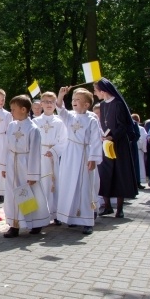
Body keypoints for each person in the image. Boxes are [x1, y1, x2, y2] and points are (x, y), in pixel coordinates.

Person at [1, 95, 50, 237]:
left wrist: (33, 174)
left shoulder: (33, 129)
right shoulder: (11, 125)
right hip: (12, 163)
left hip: (25, 165)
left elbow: (35, 152)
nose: (11, 112)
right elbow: (6, 146)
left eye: (13, 109)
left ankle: (35, 222)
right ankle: (14, 224)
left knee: (27, 194)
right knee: (12, 195)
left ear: (23, 109)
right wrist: (4, 166)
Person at [55, 87, 102, 235]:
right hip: (70, 155)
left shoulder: (91, 120)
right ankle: (71, 217)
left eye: (78, 100)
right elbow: (60, 110)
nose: (74, 102)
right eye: (73, 99)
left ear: (87, 104)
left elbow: (95, 141)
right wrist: (61, 95)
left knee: (84, 187)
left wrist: (93, 158)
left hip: (84, 154)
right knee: (69, 185)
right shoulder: (70, 116)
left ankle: (87, 220)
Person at [94, 78, 139, 218]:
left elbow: (123, 126)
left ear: (102, 90)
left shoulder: (118, 104)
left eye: (95, 90)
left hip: (119, 145)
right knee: (105, 173)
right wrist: (102, 135)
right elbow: (102, 123)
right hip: (106, 144)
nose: (95, 93)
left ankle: (120, 208)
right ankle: (107, 206)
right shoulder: (102, 105)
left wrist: (112, 137)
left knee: (120, 174)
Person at [35, 92, 67, 224]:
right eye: (46, 101)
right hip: (39, 156)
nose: (49, 104)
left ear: (55, 104)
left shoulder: (60, 122)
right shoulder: (35, 121)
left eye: (51, 102)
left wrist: (54, 151)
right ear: (41, 104)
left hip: (53, 158)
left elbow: (64, 141)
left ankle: (56, 213)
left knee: (54, 185)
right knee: (41, 184)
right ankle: (41, 214)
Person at [132, 114, 149, 187]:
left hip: (138, 149)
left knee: (139, 165)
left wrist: (143, 149)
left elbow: (143, 138)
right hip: (136, 148)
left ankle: (138, 181)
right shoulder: (140, 128)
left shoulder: (141, 128)